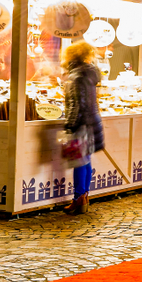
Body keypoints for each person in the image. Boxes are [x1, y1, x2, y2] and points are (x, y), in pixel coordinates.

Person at [61, 41, 104, 215]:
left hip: (81, 123)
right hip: (90, 122)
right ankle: (83, 198)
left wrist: (70, 126)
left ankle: (78, 198)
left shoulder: (77, 76)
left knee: (79, 162)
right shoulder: (89, 73)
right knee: (85, 161)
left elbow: (78, 104)